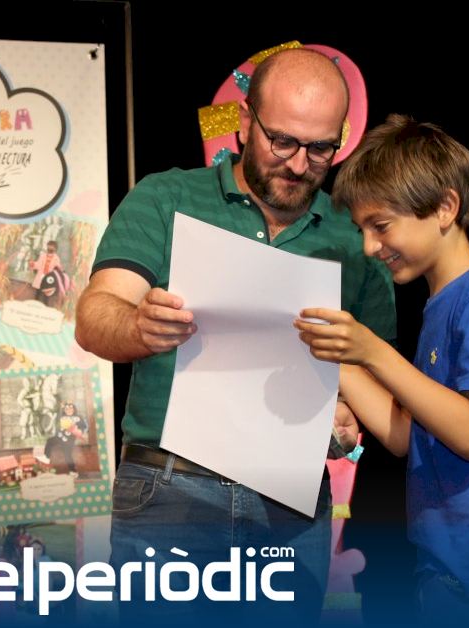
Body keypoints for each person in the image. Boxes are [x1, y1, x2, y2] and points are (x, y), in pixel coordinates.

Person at [75, 48, 396, 622]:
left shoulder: (356, 237)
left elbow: (377, 370)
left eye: (320, 148)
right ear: (246, 121)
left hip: (290, 500)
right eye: (282, 141)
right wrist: (139, 325)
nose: (298, 164)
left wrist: (346, 413)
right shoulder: (167, 197)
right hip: (173, 486)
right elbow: (95, 316)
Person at [295, 114, 469, 623]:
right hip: (447, 571)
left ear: (445, 207)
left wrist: (374, 352)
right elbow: (406, 436)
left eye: (380, 226)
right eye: (362, 230)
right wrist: (339, 358)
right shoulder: (442, 305)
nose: (369, 247)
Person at [44, 401, 87, 474]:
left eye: (71, 409)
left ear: (74, 409)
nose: (69, 410)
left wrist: (79, 430)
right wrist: (61, 408)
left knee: (67, 454)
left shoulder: (78, 417)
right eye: (66, 409)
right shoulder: (62, 417)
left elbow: (83, 426)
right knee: (50, 441)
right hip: (60, 436)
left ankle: (73, 470)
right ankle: (46, 457)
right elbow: (58, 421)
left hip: (69, 439)